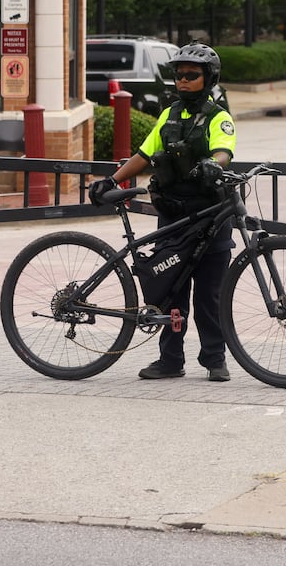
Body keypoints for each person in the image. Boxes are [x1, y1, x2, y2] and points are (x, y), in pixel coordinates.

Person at [88, 43, 237, 382]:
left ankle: (215, 360)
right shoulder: (168, 115)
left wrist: (214, 165)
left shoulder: (218, 117)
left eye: (191, 75)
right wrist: (112, 179)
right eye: (178, 74)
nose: (182, 81)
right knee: (172, 293)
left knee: (209, 296)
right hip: (173, 218)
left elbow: (223, 150)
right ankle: (170, 361)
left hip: (210, 217)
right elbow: (143, 154)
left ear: (208, 78)